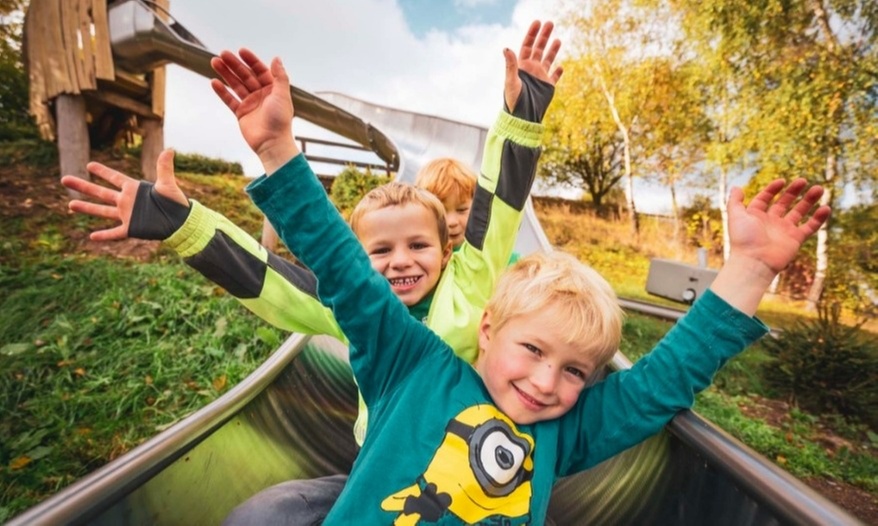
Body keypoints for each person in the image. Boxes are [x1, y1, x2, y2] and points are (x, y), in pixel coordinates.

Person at [210, 36, 830, 523]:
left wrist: (749, 268)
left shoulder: (565, 431)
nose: (544, 382)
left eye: (575, 371)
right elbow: (347, 274)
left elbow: (662, 383)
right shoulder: (412, 367)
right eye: (533, 349)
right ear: (486, 328)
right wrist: (278, 154)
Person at [64, 20, 564, 524]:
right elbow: (268, 279)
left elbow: (499, 206)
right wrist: (184, 224)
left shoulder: (470, 284)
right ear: (358, 261)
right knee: (262, 515)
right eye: (381, 250)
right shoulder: (358, 308)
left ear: (446, 248)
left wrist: (521, 117)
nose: (401, 261)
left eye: (418, 245)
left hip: (473, 481)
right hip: (380, 474)